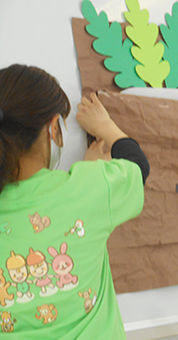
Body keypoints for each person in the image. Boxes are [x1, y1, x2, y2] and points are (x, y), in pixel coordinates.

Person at [0, 64, 149, 339]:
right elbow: (137, 167)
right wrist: (107, 127)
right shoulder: (88, 187)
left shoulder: (85, 186)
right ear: (53, 128)